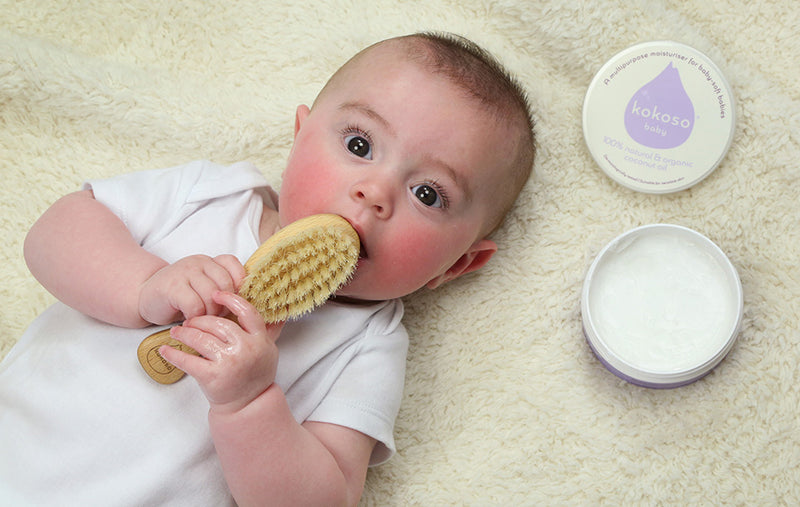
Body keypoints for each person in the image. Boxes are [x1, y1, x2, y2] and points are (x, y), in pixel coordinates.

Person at [0, 32, 535, 505]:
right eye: (359, 144)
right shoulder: (211, 194)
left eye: (427, 194)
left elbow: (324, 499)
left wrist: (251, 403)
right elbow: (53, 234)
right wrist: (142, 284)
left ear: (456, 265)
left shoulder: (368, 348)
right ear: (300, 134)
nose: (374, 193)